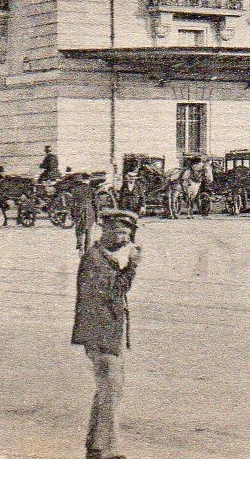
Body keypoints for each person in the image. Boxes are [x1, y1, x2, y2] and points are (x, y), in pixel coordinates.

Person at [72, 209, 141, 459]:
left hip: (109, 332)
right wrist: (131, 267)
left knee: (108, 389)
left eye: (127, 233)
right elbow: (113, 293)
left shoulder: (104, 258)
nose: (124, 238)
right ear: (107, 231)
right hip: (101, 333)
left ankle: (96, 444)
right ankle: (108, 451)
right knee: (111, 389)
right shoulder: (95, 260)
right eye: (120, 232)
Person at [70, 173, 99, 252]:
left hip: (79, 210)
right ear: (88, 180)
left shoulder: (75, 189)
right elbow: (96, 204)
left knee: (79, 229)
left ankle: (80, 246)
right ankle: (87, 249)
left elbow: (72, 204)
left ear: (82, 180)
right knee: (88, 231)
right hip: (89, 211)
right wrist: (97, 216)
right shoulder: (92, 190)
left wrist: (72, 215)